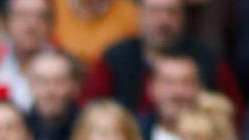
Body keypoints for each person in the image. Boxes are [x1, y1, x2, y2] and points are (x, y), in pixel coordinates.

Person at [80, 0, 243, 122]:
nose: (164, 20)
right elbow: (90, 111)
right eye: (155, 12)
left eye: (172, 12)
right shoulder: (116, 58)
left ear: (183, 16)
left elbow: (235, 113)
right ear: (140, 14)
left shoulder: (208, 59)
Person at [0, 0, 55, 111]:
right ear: (8, 20)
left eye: (40, 17)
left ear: (50, 24)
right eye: (23, 15)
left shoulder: (63, 65)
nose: (31, 25)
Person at [25, 50, 81, 140]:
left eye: (59, 82)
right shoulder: (19, 127)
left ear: (73, 85)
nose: (50, 91)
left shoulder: (87, 126)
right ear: (30, 85)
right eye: (42, 82)